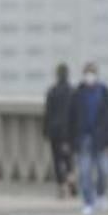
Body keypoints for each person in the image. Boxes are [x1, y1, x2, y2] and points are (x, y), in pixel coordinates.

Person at [67, 63, 108, 215]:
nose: (89, 76)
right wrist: (70, 141)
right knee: (85, 173)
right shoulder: (77, 94)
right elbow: (70, 119)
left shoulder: (105, 93)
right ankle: (88, 202)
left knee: (104, 171)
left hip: (102, 140)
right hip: (83, 139)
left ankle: (101, 194)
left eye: (92, 73)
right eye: (87, 73)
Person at [43, 63, 75, 198]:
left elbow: (48, 113)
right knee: (68, 159)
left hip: (54, 131)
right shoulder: (72, 91)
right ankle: (71, 182)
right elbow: (75, 113)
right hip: (67, 132)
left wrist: (45, 131)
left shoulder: (52, 91)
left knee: (57, 159)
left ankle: (61, 186)